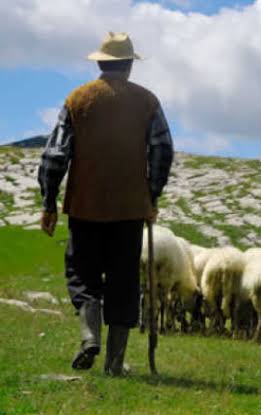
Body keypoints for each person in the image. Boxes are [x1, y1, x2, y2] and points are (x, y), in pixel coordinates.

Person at [37, 32, 173, 375]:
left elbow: (55, 155)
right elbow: (162, 150)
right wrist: (151, 195)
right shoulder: (147, 102)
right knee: (124, 280)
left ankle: (89, 337)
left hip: (85, 206)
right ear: (129, 65)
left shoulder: (78, 99)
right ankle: (114, 363)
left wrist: (49, 202)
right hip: (129, 209)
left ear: (100, 62)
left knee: (82, 275)